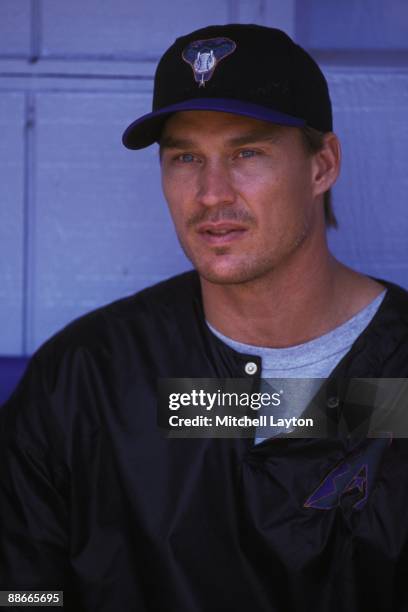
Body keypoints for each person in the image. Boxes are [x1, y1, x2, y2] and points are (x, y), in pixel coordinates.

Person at [1, 23, 408, 612]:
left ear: (322, 166)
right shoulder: (86, 376)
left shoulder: (396, 367)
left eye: (247, 152)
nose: (211, 192)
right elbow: (22, 587)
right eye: (186, 156)